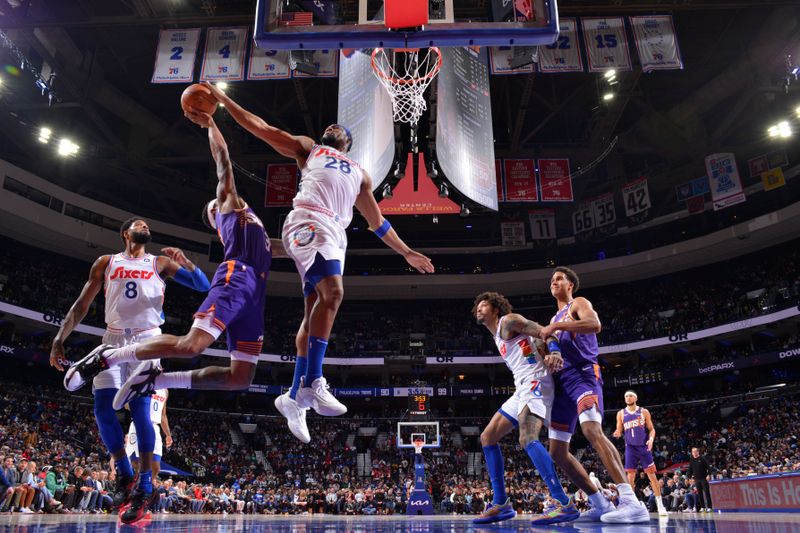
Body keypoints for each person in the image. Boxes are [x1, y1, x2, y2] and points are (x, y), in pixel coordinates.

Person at [197, 82, 434, 443]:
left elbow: (377, 223)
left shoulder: (360, 174)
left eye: (342, 129)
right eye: (332, 127)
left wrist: (406, 251)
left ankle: (293, 398)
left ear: (349, 143)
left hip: (335, 234)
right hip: (309, 220)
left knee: (313, 313)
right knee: (334, 294)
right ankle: (312, 382)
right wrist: (224, 103)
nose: (335, 128)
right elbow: (262, 129)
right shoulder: (311, 148)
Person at [65, 116, 289, 483]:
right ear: (216, 214)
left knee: (240, 378)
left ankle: (159, 381)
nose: (225, 198)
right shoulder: (229, 209)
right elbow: (224, 163)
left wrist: (315, 241)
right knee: (190, 346)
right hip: (236, 278)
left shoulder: (256, 229)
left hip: (256, 293)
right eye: (216, 204)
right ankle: (108, 355)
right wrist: (211, 124)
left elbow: (280, 248)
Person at [52, 217, 210, 523]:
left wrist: (187, 263)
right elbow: (81, 305)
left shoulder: (160, 262)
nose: (146, 226)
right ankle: (124, 473)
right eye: (139, 224)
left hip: (148, 340)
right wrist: (59, 338)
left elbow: (203, 286)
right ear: (126, 233)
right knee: (102, 408)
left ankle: (145, 486)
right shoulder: (106, 262)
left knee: (140, 410)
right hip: (112, 339)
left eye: (148, 224)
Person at [538, 266, 649, 524]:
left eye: (559, 279)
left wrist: (555, 325)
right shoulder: (555, 318)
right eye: (552, 279)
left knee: (591, 430)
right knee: (556, 451)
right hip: (562, 383)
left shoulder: (578, 303)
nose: (554, 282)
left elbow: (594, 324)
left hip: (584, 374)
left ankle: (631, 501)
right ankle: (599, 503)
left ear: (570, 285)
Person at [472, 291, 579, 525]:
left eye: (484, 305)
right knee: (488, 437)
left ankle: (564, 503)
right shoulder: (497, 336)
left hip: (535, 381)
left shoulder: (508, 321)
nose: (479, 309)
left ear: (496, 309)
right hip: (521, 387)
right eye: (477, 306)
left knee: (527, 437)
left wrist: (555, 352)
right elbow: (534, 342)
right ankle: (501, 504)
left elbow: (544, 332)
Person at [613, 390, 668, 516]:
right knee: (630, 477)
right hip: (630, 448)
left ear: (636, 398)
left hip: (643, 447)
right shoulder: (621, 413)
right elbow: (619, 429)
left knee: (652, 475)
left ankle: (660, 505)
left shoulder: (643, 411)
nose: (628, 397)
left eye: (630, 395)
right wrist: (617, 433)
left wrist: (651, 439)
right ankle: (629, 505)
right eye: (626, 395)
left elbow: (652, 429)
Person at [126, 388, 172, 480]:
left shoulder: (165, 391)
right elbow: (127, 405)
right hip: (139, 423)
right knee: (136, 463)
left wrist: (168, 435)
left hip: (154, 426)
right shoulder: (142, 382)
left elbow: (163, 415)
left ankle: (146, 487)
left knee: (156, 467)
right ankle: (136, 488)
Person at [688, 447, 713, 512]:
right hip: (696, 479)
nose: (694, 453)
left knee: (706, 492)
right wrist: (689, 477)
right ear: (692, 453)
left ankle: (709, 507)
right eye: (693, 452)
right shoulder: (691, 460)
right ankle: (703, 507)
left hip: (704, 478)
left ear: (698, 452)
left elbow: (708, 467)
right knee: (699, 493)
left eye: (695, 451)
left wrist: (709, 474)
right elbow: (690, 469)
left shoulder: (702, 458)